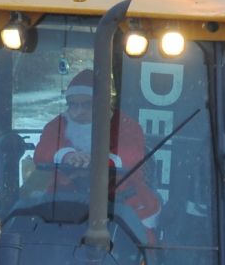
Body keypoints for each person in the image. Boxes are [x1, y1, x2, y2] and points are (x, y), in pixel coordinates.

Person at [33, 69, 161, 227]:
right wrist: (67, 156)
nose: (79, 112)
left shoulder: (126, 126)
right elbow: (42, 151)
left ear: (102, 103)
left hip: (120, 199)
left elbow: (131, 155)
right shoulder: (58, 125)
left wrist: (98, 161)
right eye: (73, 105)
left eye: (87, 105)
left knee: (138, 236)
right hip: (65, 198)